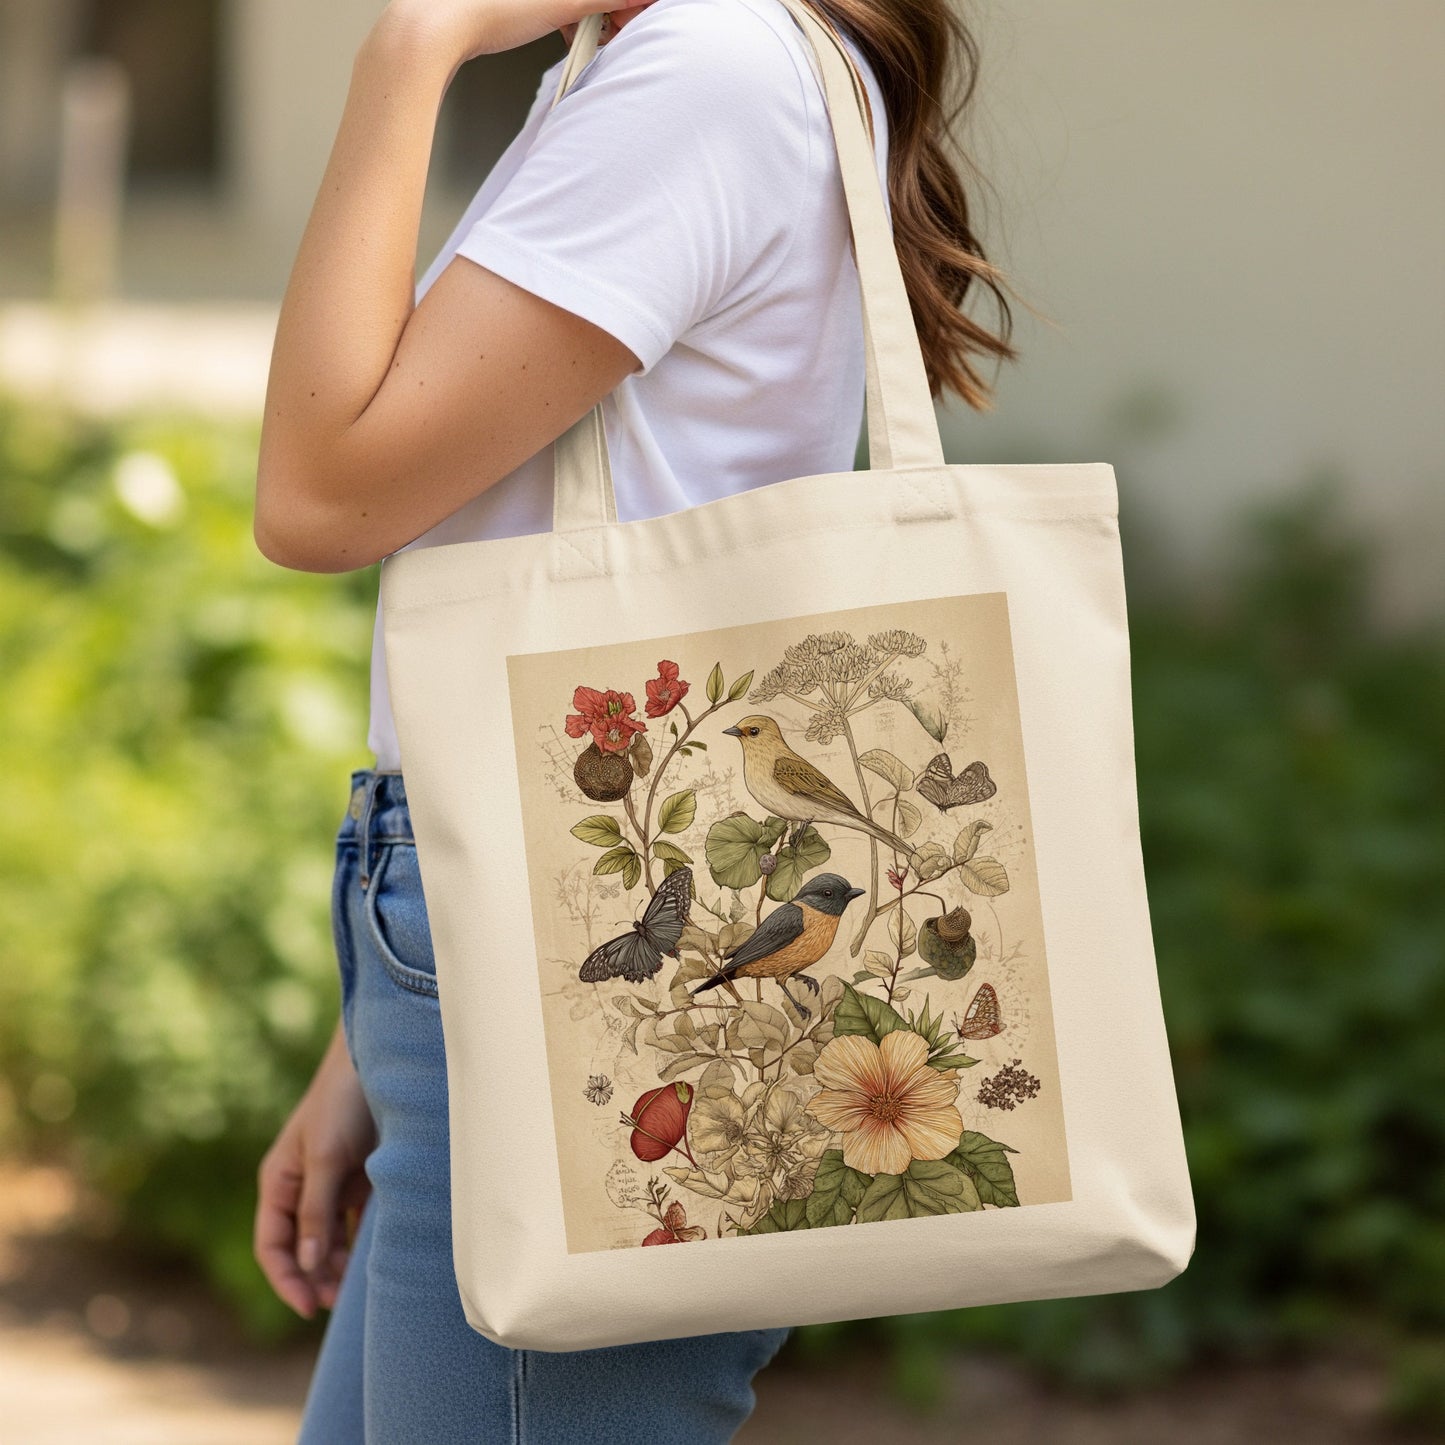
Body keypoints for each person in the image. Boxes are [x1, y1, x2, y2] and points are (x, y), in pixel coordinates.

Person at [251, 0, 1018, 1437]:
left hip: (574, 978)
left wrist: (409, 48)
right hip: (515, 930)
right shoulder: (654, 59)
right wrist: (376, 1034)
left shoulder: (707, 66)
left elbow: (317, 497)